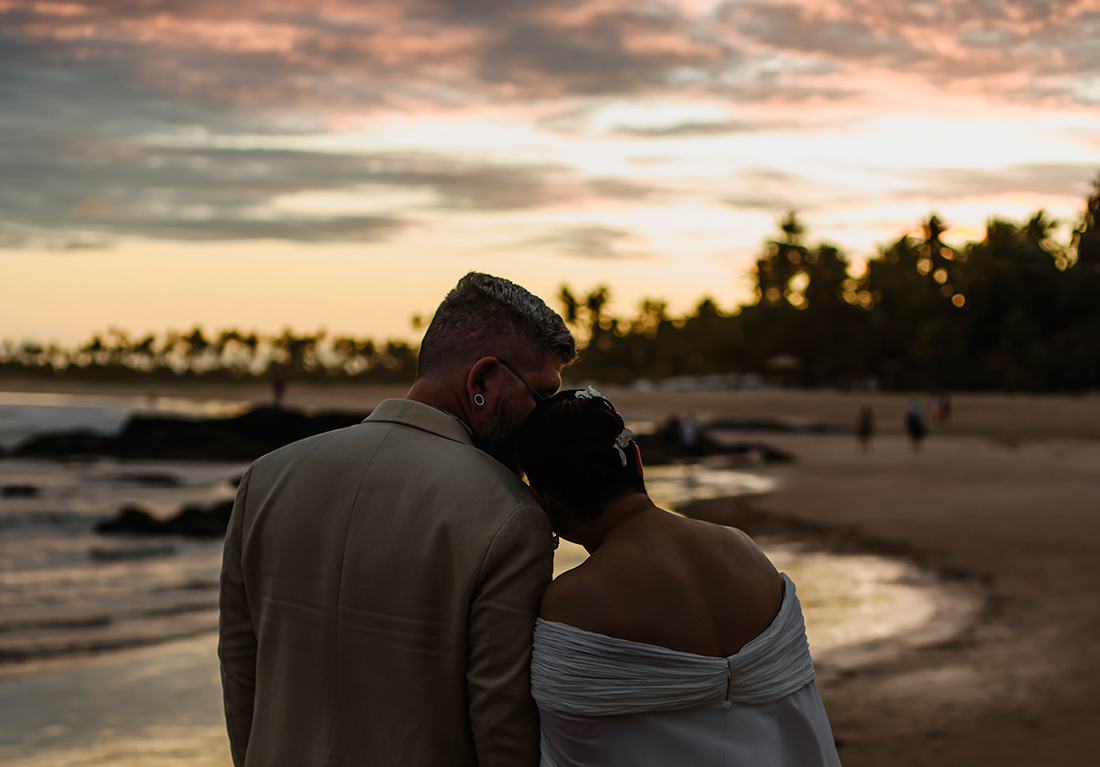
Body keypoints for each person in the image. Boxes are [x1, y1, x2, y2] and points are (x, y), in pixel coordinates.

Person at [219, 273, 575, 767]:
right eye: (543, 396)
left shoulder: (266, 478)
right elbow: (503, 727)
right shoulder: (510, 515)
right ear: (482, 381)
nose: (547, 417)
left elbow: (241, 677)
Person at [518, 388, 842, 767]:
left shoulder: (573, 602)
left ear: (542, 502)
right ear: (637, 461)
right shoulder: (746, 552)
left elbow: (570, 752)